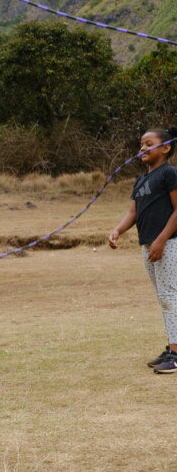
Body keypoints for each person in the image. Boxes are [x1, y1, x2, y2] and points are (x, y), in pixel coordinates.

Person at [109, 127, 177, 374]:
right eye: (141, 145)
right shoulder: (141, 181)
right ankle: (172, 348)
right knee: (165, 298)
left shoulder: (170, 174)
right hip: (148, 245)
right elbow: (133, 212)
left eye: (149, 144)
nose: (142, 149)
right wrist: (118, 230)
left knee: (170, 298)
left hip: (169, 244)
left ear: (165, 147)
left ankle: (176, 353)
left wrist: (161, 240)